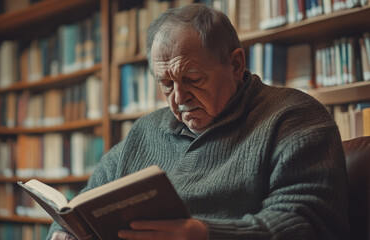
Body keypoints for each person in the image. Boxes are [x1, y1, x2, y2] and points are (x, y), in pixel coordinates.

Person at [48, 3, 349, 240]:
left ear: (235, 64)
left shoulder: (293, 117)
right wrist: (64, 232)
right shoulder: (145, 130)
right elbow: (81, 205)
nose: (178, 98)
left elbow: (307, 224)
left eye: (191, 79)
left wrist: (207, 235)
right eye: (166, 84)